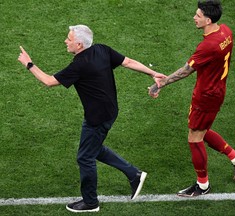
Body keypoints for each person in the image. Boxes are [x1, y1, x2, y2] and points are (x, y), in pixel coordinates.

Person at [18, 24, 166, 213]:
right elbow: (128, 62)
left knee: (85, 157)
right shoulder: (101, 49)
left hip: (97, 117)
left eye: (69, 39)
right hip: (110, 110)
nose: (65, 41)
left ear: (79, 44)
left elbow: (48, 81)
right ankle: (133, 174)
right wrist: (153, 74)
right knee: (93, 148)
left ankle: (90, 202)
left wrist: (29, 64)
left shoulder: (79, 65)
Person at [148, 0, 235, 197]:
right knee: (202, 130)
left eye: (197, 15)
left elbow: (186, 70)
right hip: (218, 90)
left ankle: (202, 186)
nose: (194, 18)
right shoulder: (226, 32)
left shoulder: (208, 45)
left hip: (206, 96)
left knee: (195, 138)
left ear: (208, 19)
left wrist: (161, 83)